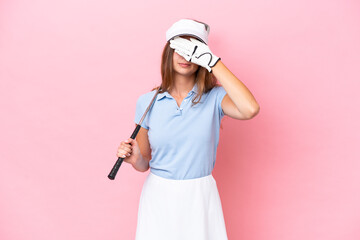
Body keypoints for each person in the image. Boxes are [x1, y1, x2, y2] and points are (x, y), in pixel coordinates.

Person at [117, 18, 260, 240]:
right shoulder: (147, 101)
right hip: (159, 197)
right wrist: (135, 158)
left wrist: (213, 61)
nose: (186, 57)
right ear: (169, 53)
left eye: (194, 50)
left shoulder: (215, 97)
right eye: (179, 49)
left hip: (200, 196)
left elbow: (250, 109)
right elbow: (144, 164)